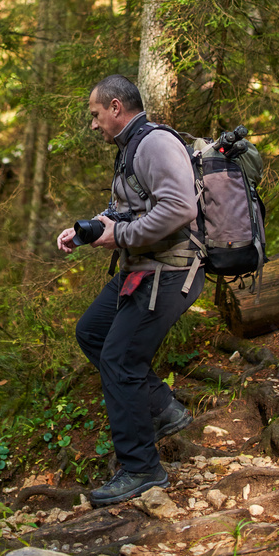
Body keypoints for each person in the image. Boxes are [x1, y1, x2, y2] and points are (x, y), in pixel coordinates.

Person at [57, 74, 205, 506]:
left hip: (171, 271)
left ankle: (141, 468)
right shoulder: (130, 149)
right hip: (142, 268)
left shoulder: (155, 144)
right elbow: (125, 211)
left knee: (121, 359)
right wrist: (86, 231)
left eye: (95, 114)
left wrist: (119, 236)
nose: (93, 123)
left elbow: (180, 207)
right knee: (93, 333)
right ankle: (162, 408)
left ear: (117, 107)